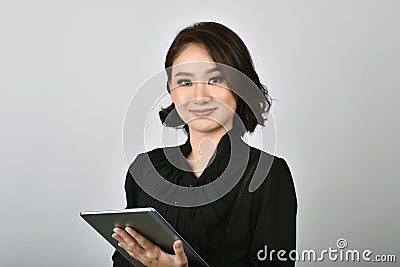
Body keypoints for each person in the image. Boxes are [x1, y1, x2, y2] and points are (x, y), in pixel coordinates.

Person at [111, 21, 297, 267]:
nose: (199, 96)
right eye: (185, 82)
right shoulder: (145, 170)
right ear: (171, 91)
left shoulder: (268, 175)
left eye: (215, 79)